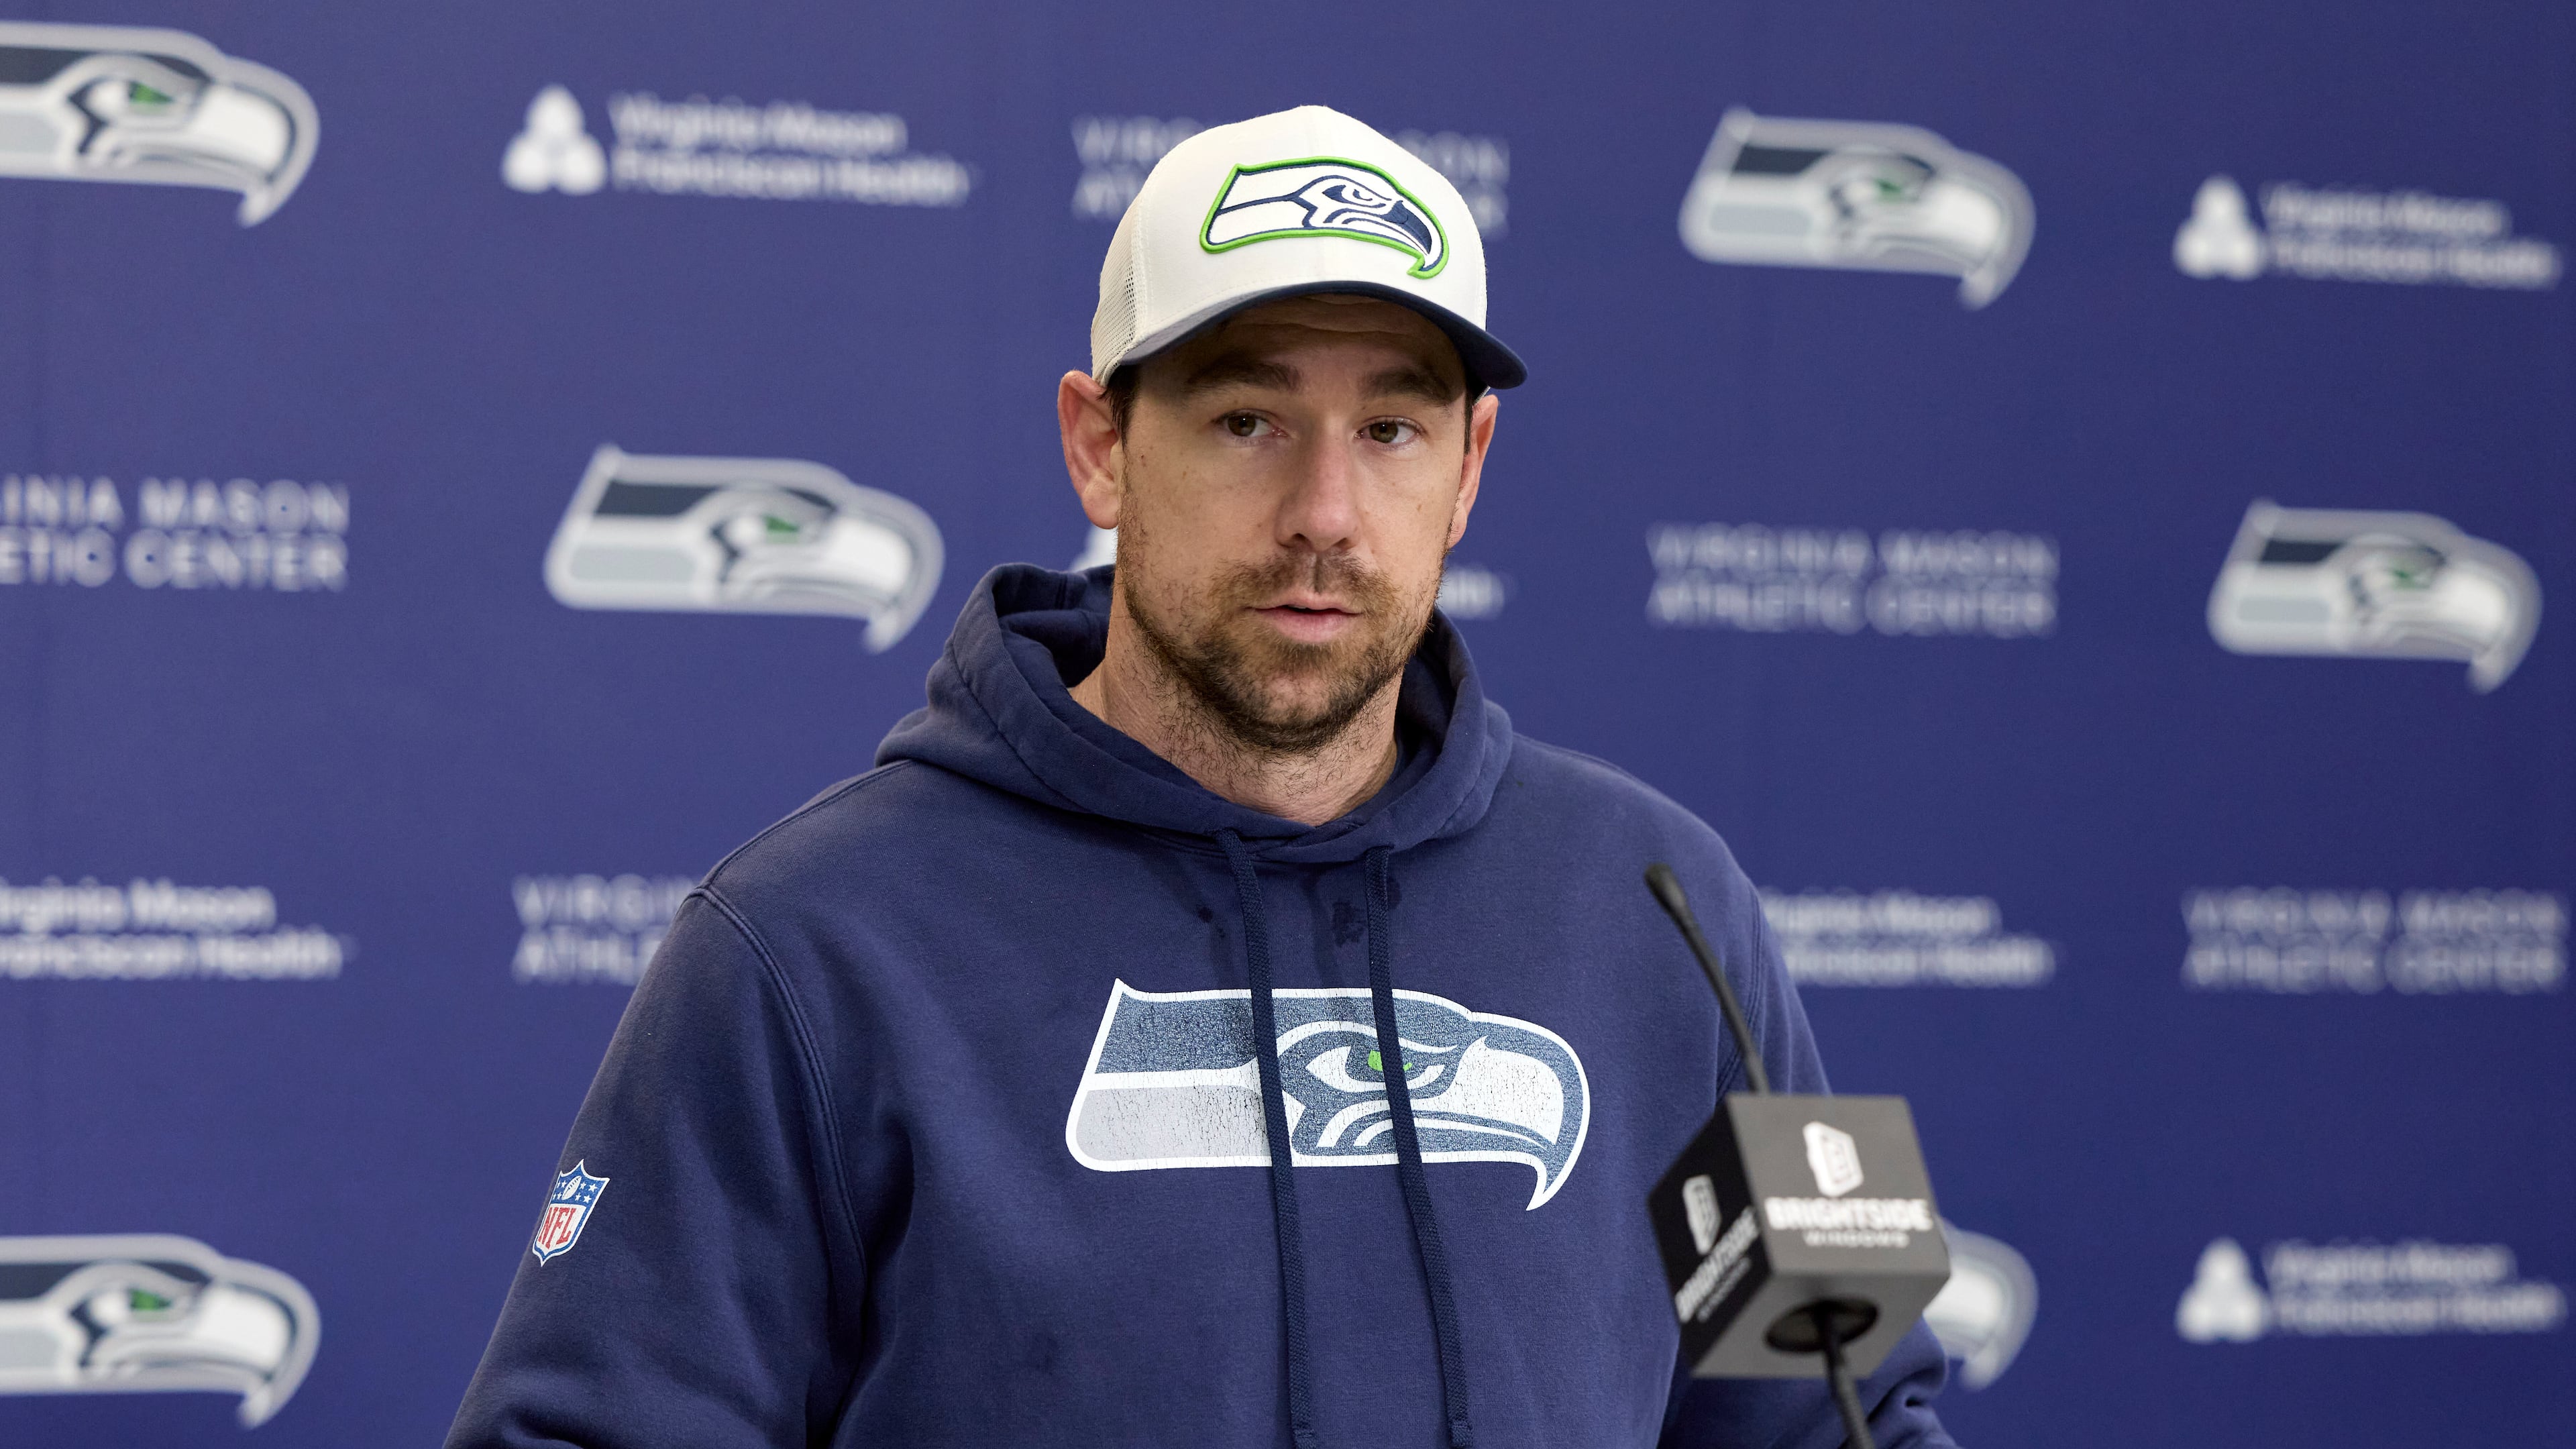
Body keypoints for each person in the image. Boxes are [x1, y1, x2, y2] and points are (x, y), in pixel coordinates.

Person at [447, 104, 1956, 1449]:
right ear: (1101, 446)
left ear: (1472, 466)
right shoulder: (806, 946)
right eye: (1249, 420)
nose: (1327, 510)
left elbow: (1860, 1409)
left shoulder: (1670, 909)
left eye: (1392, 427)